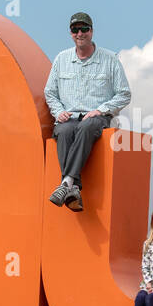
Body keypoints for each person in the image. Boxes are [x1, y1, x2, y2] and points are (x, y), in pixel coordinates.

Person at [44, 11, 131, 212]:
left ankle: (66, 182)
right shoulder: (61, 59)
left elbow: (124, 94)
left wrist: (100, 110)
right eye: (75, 29)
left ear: (92, 31)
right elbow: (50, 92)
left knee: (86, 126)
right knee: (64, 131)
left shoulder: (110, 59)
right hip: (69, 117)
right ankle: (72, 188)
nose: (80, 33)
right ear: (70, 33)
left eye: (84, 29)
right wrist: (58, 112)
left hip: (98, 117)